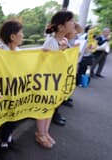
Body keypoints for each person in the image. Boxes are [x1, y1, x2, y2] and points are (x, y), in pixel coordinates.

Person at [36, 10, 75, 149]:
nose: (73, 23)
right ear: (61, 27)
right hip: (47, 83)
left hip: (56, 82)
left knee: (51, 107)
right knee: (44, 108)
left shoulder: (63, 40)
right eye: (70, 21)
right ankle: (40, 133)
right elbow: (45, 64)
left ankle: (45, 132)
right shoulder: (50, 42)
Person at [0, 19, 23, 158]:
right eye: (20, 33)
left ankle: (9, 139)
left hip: (16, 90)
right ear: (12, 36)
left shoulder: (18, 51)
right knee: (8, 117)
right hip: (3, 91)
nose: (22, 35)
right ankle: (3, 143)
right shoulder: (0, 50)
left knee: (15, 116)